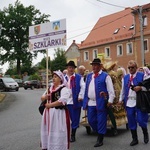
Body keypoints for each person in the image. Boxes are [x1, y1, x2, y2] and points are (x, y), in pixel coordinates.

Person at [83, 58, 115, 147]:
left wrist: (110, 101)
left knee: (101, 120)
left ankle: (100, 138)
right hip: (90, 102)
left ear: (100, 66)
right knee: (91, 120)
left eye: (96, 65)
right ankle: (101, 132)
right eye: (93, 65)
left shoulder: (106, 76)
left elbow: (111, 90)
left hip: (101, 102)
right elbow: (86, 89)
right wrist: (84, 99)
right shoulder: (89, 76)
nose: (94, 67)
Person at [118, 60, 149, 146]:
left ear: (136, 67)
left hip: (139, 101)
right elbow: (123, 90)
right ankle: (134, 139)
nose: (131, 69)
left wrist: (141, 88)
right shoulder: (126, 78)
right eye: (129, 68)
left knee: (141, 119)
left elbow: (148, 88)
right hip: (129, 102)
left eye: (132, 67)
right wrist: (121, 99)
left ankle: (145, 133)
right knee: (131, 120)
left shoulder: (142, 75)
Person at [40, 70, 71, 150]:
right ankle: (48, 146)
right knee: (48, 130)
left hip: (58, 114)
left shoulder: (63, 89)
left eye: (55, 77)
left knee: (57, 130)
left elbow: (62, 101)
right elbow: (42, 98)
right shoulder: (50, 88)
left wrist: (50, 105)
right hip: (48, 113)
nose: (53, 79)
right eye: (53, 77)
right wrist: (45, 97)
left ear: (60, 79)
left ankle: (58, 147)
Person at [64, 61, 85, 142]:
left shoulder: (79, 77)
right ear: (67, 68)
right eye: (69, 67)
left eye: (72, 68)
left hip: (75, 101)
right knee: (65, 119)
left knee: (75, 119)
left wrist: (80, 96)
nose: (71, 69)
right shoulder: (63, 78)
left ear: (74, 69)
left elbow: (83, 87)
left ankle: (73, 135)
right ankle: (66, 134)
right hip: (65, 101)